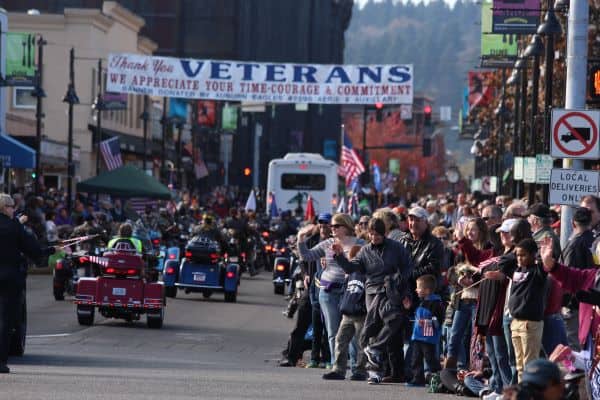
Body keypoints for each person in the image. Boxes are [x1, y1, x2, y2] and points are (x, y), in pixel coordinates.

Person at [333, 217, 414, 384]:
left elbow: (407, 269)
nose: (374, 237)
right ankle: (374, 373)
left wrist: (400, 284)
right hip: (372, 292)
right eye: (371, 234)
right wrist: (340, 256)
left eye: (377, 234)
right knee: (374, 330)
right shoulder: (364, 251)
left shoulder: (396, 248)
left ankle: (380, 355)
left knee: (394, 322)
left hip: (392, 290)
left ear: (384, 234)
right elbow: (351, 268)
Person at [297, 213, 363, 367]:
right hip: (328, 292)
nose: (331, 228)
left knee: (353, 331)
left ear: (346, 227)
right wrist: (300, 239)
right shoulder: (328, 243)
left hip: (350, 292)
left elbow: (365, 263)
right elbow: (307, 256)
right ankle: (337, 365)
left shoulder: (359, 243)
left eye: (335, 226)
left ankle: (355, 365)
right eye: (331, 226)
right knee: (333, 331)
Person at [0, 193, 55, 373]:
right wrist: (50, 250)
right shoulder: (15, 227)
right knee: (5, 320)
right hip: (9, 278)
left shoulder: (14, 225)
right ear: (6, 208)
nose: (13, 210)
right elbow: (34, 251)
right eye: (11, 207)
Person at [506, 238, 548, 382]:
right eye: (518, 255)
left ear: (533, 255)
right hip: (516, 322)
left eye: (523, 254)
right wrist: (515, 250)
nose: (519, 258)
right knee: (520, 366)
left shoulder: (537, 273)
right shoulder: (517, 270)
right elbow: (503, 263)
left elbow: (545, 266)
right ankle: (522, 393)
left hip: (530, 323)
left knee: (530, 365)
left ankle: (531, 394)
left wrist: (540, 255)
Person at [322, 270, 368, 381]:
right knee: (340, 339)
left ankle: (361, 371)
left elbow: (370, 294)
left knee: (361, 343)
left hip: (361, 315)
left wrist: (363, 308)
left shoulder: (369, 274)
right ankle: (338, 370)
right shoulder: (351, 274)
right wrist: (343, 304)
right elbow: (344, 290)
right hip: (347, 314)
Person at [560, 207, 595, 351]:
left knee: (575, 346)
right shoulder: (595, 241)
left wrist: (565, 302)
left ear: (573, 223)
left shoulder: (574, 244)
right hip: (591, 299)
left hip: (575, 303)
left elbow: (566, 275)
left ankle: (577, 372)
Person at [405, 274, 444, 386]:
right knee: (415, 359)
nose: (416, 289)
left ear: (427, 290)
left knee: (430, 359)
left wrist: (428, 321)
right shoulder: (421, 301)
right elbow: (416, 314)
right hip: (417, 336)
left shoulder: (436, 303)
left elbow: (438, 320)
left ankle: (439, 378)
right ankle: (418, 379)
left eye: (418, 287)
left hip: (428, 338)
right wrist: (409, 308)